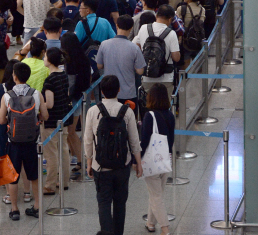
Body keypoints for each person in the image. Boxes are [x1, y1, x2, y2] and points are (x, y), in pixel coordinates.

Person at [84, 75, 143, 235]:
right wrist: (138, 163)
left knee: (103, 202)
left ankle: (106, 232)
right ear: (119, 89)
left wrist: (89, 163)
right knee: (120, 203)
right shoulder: (127, 111)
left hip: (100, 166)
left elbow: (88, 140)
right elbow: (134, 140)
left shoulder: (92, 111)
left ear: (101, 91)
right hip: (122, 165)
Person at [0, 61, 48, 220]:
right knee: (33, 175)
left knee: (13, 177)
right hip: (31, 141)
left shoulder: (7, 96)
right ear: (27, 76)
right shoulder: (36, 93)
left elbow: (1, 121)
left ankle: (14, 210)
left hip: (13, 143)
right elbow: (45, 116)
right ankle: (37, 207)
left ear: (14, 77)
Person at [141, 83, 175, 235]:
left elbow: (144, 141)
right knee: (156, 193)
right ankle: (150, 223)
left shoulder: (150, 116)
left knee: (156, 196)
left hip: (151, 162)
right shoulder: (170, 115)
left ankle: (165, 228)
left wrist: (137, 161)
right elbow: (172, 139)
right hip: (165, 159)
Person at [97, 14, 146, 110]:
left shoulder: (104, 44)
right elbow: (140, 71)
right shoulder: (134, 48)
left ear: (116, 26)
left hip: (108, 93)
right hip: (128, 94)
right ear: (131, 28)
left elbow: (99, 65)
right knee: (128, 121)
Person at [133, 4, 180, 100]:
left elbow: (135, 45)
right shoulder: (171, 33)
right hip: (166, 77)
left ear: (156, 15)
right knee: (164, 106)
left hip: (147, 75)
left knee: (150, 105)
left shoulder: (144, 28)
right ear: (170, 19)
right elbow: (176, 57)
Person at [41, 47, 71, 195]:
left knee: (51, 154)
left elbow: (49, 104)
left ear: (50, 60)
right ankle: (64, 181)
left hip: (51, 121)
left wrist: (41, 105)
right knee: (64, 150)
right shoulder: (63, 75)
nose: (43, 58)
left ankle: (50, 185)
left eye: (45, 56)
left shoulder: (49, 80)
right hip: (63, 118)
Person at [60, 32, 90, 170]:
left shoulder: (69, 63)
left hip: (70, 101)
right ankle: (78, 159)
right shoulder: (83, 59)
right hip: (78, 98)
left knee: (70, 132)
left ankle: (80, 160)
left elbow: (70, 86)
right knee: (70, 133)